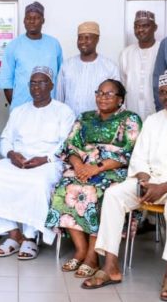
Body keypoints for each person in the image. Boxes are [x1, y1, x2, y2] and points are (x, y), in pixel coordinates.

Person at [89, 69, 167, 299]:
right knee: (114, 194)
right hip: (151, 182)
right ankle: (110, 265)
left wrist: (166, 186)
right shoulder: (153, 121)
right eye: (163, 92)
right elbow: (139, 158)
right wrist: (144, 179)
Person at [0, 66, 74, 260]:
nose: (36, 87)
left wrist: (44, 159)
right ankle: (13, 234)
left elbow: (66, 143)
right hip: (19, 159)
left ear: (51, 85)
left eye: (41, 82)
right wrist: (12, 154)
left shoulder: (63, 111)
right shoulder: (20, 110)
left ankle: (30, 237)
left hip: (49, 161)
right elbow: (5, 139)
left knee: (36, 183)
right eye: (32, 83)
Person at [46, 79, 142, 273]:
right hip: (83, 167)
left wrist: (95, 168)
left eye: (109, 94)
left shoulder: (130, 119)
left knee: (93, 192)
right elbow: (70, 146)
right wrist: (79, 165)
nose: (102, 97)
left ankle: (92, 255)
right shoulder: (85, 117)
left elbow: (129, 153)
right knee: (65, 188)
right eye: (99, 93)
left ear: (120, 99)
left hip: (113, 170)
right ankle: (80, 250)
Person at [0, 1, 63, 110]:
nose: (32, 21)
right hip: (21, 105)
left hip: (50, 108)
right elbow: (7, 82)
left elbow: (61, 77)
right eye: (28, 18)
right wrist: (17, 108)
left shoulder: (54, 44)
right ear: (24, 21)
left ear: (43, 20)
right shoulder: (13, 46)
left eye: (36, 18)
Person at [56, 21, 120, 116]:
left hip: (99, 125)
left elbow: (117, 99)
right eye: (80, 38)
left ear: (97, 39)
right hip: (70, 123)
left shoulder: (109, 67)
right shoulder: (67, 66)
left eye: (87, 38)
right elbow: (59, 99)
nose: (83, 41)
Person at [119, 10, 160, 120]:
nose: (140, 30)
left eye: (145, 26)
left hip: (158, 114)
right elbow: (123, 85)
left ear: (155, 27)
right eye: (136, 26)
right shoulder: (126, 53)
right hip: (132, 115)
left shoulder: (163, 50)